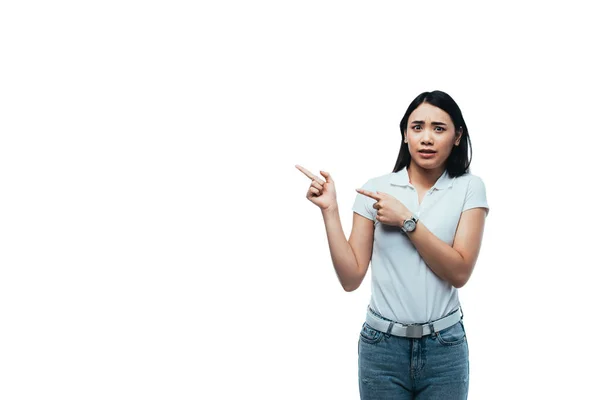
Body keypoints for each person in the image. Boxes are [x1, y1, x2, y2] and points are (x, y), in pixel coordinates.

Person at [296, 90, 489, 399]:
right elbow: (350, 278)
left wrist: (406, 221)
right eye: (417, 127)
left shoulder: (468, 187)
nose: (427, 138)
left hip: (445, 348)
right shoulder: (375, 190)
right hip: (382, 349)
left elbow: (460, 272)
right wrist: (330, 210)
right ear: (405, 134)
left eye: (439, 128)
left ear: (457, 136)